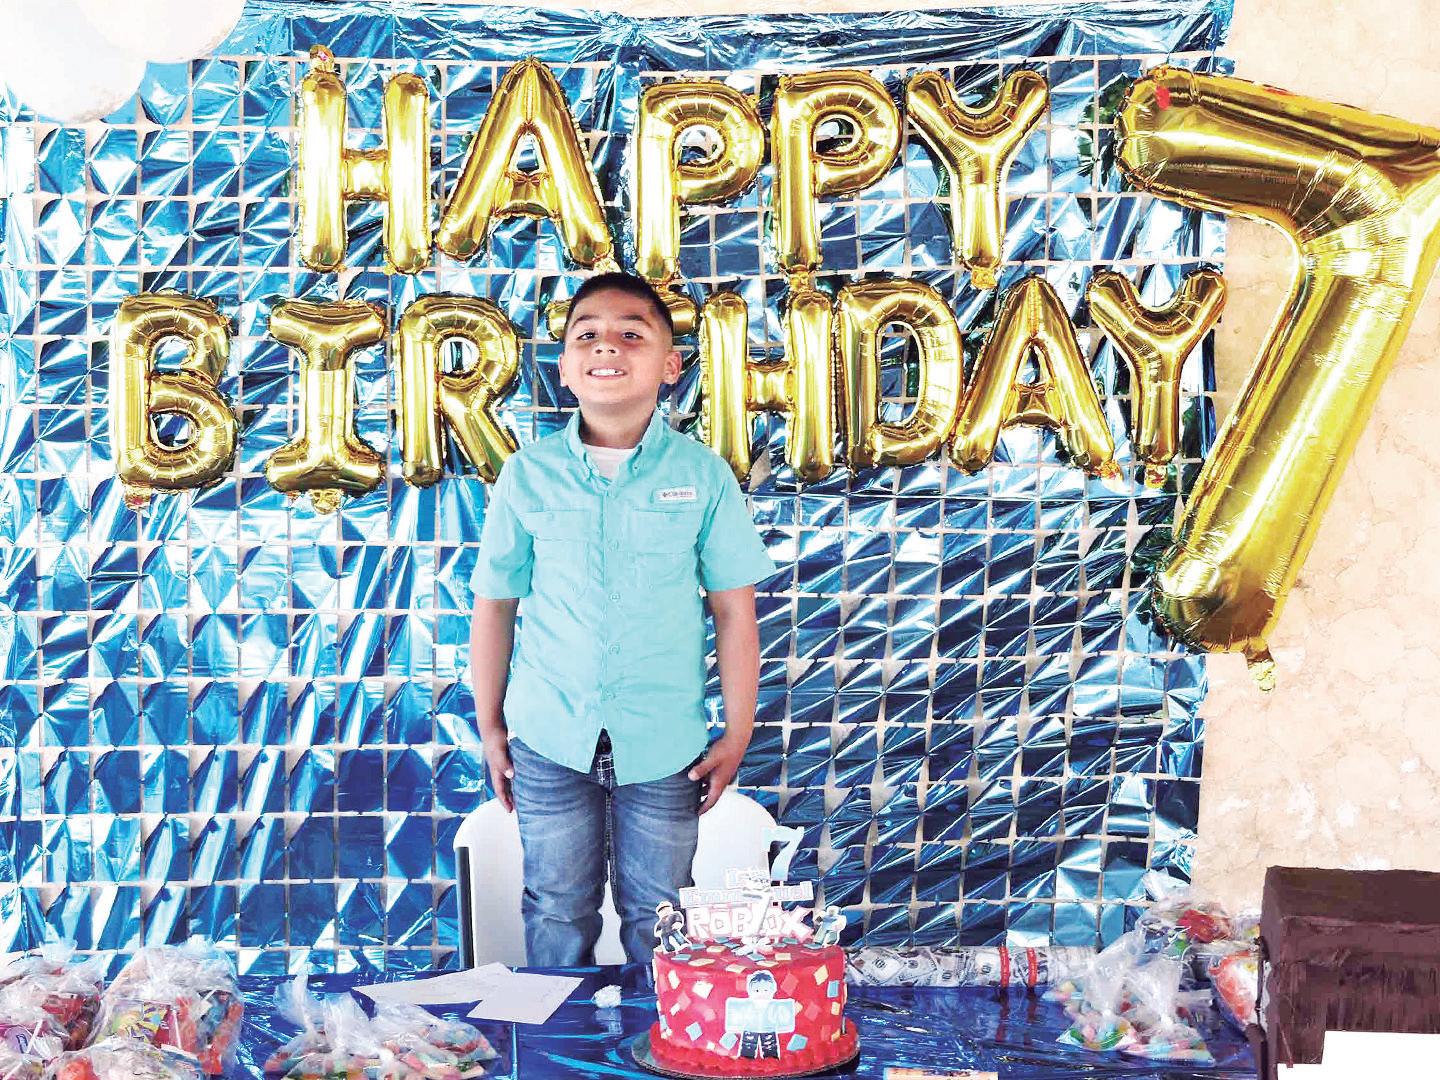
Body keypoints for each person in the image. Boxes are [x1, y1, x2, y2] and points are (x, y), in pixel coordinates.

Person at [469, 271, 774, 966]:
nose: (607, 346)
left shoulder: (702, 476)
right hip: (548, 735)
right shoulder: (527, 474)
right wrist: (490, 727)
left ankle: (656, 1031)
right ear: (565, 367)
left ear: (670, 365)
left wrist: (738, 731)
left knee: (660, 913)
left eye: (632, 334)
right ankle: (561, 1037)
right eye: (587, 335)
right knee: (556, 906)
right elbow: (495, 605)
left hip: (666, 743)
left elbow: (734, 612)